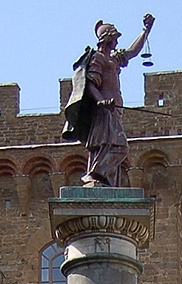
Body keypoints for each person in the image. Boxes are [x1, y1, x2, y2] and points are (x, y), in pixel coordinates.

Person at [61, 15, 154, 188]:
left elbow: (133, 51)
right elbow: (90, 84)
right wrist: (101, 101)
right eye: (115, 38)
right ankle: (95, 175)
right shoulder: (98, 58)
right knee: (117, 146)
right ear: (107, 39)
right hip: (105, 109)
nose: (117, 42)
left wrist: (145, 30)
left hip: (115, 108)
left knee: (106, 146)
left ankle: (104, 180)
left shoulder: (114, 59)